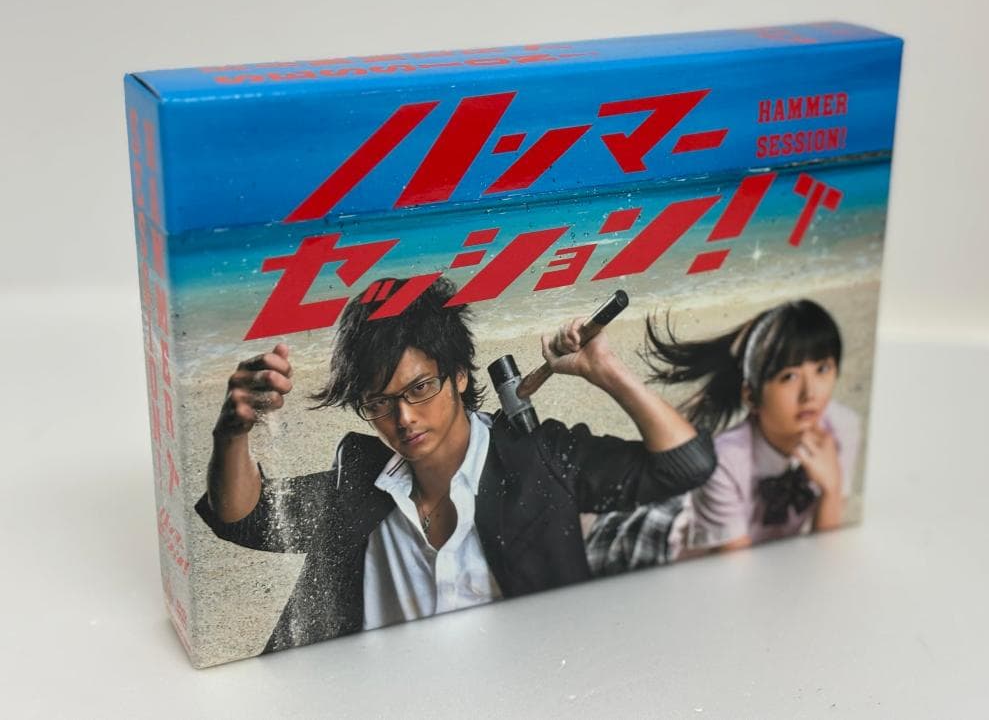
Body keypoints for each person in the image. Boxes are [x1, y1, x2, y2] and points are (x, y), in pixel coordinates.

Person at [195, 277, 715, 653]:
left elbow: (685, 466)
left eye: (421, 387)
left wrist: (606, 370)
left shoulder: (538, 459)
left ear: (460, 375)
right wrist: (233, 431)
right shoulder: (358, 483)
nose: (404, 417)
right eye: (380, 402)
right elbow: (244, 517)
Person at [585, 299, 860, 575]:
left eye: (822, 369)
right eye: (789, 377)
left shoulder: (843, 426)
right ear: (751, 396)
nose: (810, 394)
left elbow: (826, 558)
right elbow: (738, 578)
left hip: (723, 533)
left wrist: (832, 488)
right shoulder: (726, 459)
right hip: (667, 551)